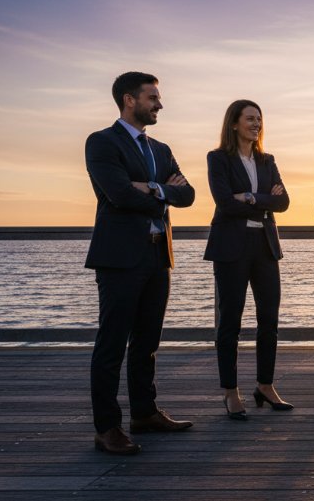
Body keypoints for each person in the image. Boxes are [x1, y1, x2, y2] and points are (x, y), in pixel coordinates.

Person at [84, 71, 195, 455]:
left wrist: (150, 187)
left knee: (147, 342)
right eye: (152, 97)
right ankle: (107, 428)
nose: (159, 104)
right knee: (112, 343)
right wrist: (164, 193)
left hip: (157, 254)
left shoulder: (160, 149)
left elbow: (188, 195)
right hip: (119, 258)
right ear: (129, 100)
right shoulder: (102, 142)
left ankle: (145, 413)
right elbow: (118, 195)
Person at [204, 100, 293, 420]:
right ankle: (231, 391)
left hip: (265, 246)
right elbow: (224, 203)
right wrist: (264, 200)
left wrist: (251, 197)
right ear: (234, 123)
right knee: (230, 321)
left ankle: (265, 385)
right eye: (250, 119)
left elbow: (283, 202)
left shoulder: (267, 160)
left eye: (259, 119)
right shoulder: (218, 158)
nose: (256, 124)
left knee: (269, 319)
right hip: (231, 247)